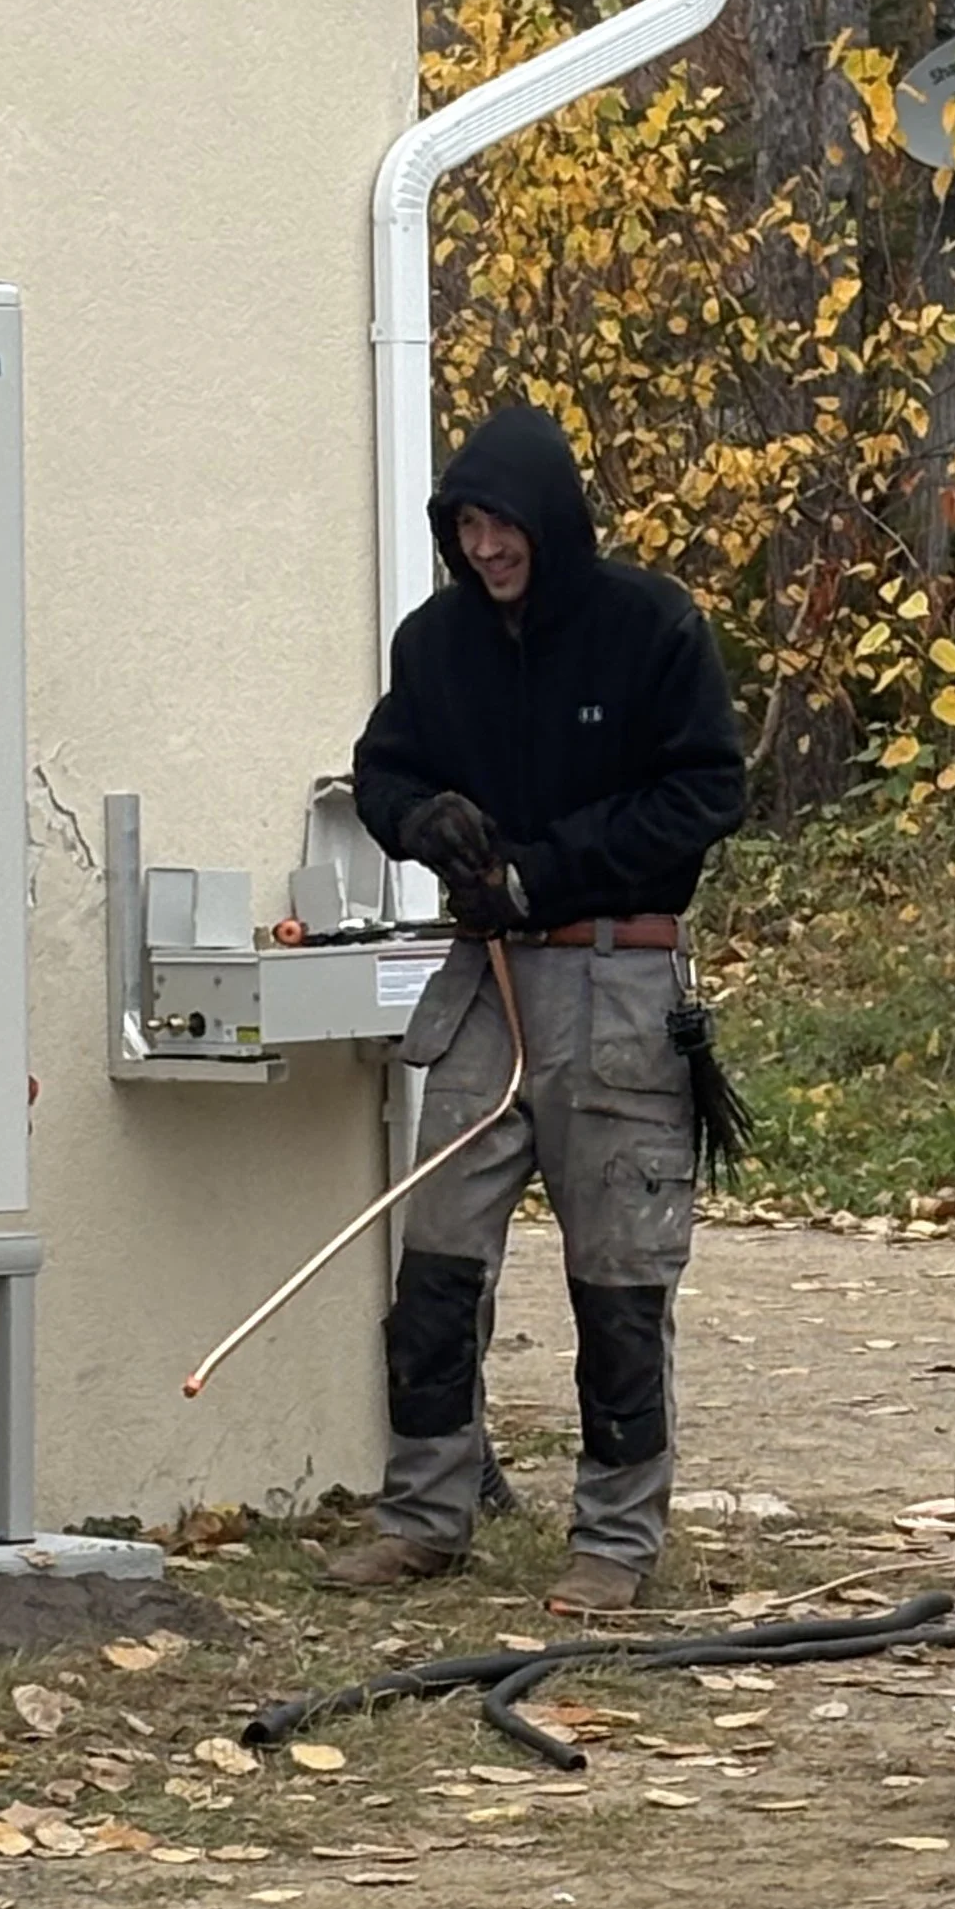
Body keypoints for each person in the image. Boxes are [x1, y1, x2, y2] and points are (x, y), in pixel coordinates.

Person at [321, 403, 745, 1616]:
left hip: (616, 981)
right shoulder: (436, 643)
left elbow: (706, 789)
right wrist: (421, 822)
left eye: (502, 522)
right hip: (482, 988)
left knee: (617, 1275)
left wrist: (548, 867)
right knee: (437, 1257)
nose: (486, 545)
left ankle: (614, 1539)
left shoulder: (649, 626)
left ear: (550, 522)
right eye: (466, 524)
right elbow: (383, 768)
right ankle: (424, 1513)